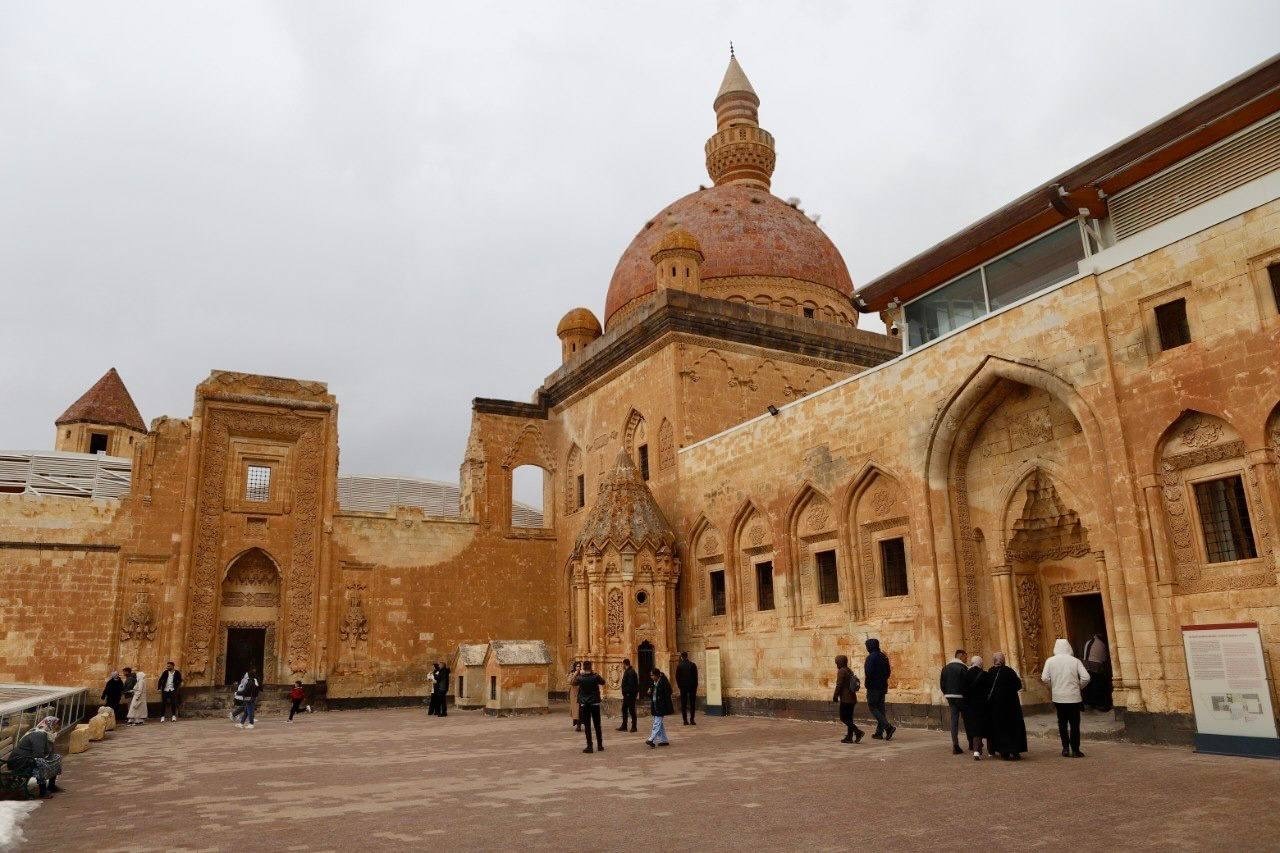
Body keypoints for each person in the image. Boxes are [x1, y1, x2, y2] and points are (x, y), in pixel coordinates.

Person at [1042, 638, 1091, 757]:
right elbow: (1086, 677)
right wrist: (1078, 687)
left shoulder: (1050, 661)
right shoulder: (1075, 661)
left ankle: (1065, 748)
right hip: (1074, 697)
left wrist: (1053, 687)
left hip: (1058, 697)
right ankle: (1075, 750)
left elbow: (1044, 678)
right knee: (1074, 724)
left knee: (1062, 723)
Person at [979, 652, 1027, 760]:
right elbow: (1018, 685)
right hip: (1011, 706)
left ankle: (1003, 751)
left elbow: (986, 688)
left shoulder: (990, 672)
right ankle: (1015, 750)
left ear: (994, 661)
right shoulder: (1009, 671)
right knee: (1012, 728)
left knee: (999, 728)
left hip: (996, 707)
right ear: (1003, 660)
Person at [9, 717, 64, 798]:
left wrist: (52, 742)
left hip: (27, 759)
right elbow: (38, 754)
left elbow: (49, 752)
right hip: (18, 762)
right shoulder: (39, 734)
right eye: (57, 725)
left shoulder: (47, 734)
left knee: (56, 757)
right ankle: (43, 791)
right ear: (50, 724)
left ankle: (51, 786)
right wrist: (47, 759)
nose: (59, 727)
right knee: (40, 762)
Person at [863, 638, 895, 740]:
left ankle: (888, 727)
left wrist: (868, 683)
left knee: (872, 707)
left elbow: (868, 673)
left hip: (873, 687)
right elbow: (888, 672)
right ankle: (879, 733)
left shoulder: (871, 658)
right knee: (880, 709)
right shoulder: (883, 656)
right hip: (883, 686)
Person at [573, 660, 606, 753]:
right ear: (591, 667)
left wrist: (577, 673)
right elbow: (603, 682)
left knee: (587, 726)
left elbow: (573, 682)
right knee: (597, 725)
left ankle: (589, 746)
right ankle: (600, 745)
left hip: (585, 704)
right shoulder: (595, 676)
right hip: (595, 703)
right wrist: (595, 673)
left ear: (583, 668)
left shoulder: (580, 678)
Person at [939, 649, 968, 755]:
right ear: (961, 656)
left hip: (950, 696)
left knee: (954, 720)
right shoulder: (963, 668)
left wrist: (946, 693)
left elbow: (942, 683)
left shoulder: (945, 668)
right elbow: (966, 683)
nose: (966, 659)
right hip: (961, 696)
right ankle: (972, 742)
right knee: (967, 718)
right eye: (965, 656)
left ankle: (955, 744)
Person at [832, 654, 864, 744]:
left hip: (846, 699)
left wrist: (835, 696)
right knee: (849, 718)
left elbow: (839, 685)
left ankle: (858, 732)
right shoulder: (849, 670)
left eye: (837, 663)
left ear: (840, 662)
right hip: (852, 698)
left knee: (843, 718)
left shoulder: (841, 671)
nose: (836, 665)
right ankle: (849, 737)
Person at [962, 655, 986, 759]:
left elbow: (963, 690)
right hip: (982, 705)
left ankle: (975, 747)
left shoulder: (966, 674)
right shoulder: (984, 674)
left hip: (970, 705)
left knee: (974, 726)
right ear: (981, 663)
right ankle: (984, 750)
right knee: (981, 726)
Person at [1082, 632, 1113, 712]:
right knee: (1097, 684)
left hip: (1086, 665)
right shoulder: (1101, 644)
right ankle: (1100, 704)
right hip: (1096, 666)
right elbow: (1104, 658)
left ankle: (1089, 703)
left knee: (1089, 684)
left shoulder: (1088, 642)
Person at [646, 667, 674, 748]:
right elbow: (653, 693)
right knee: (659, 723)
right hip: (655, 704)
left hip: (661, 705)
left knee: (657, 723)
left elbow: (669, 692)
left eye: (652, 675)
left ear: (657, 675)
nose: (651, 677)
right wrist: (649, 692)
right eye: (651, 675)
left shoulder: (663, 682)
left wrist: (661, 698)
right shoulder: (653, 682)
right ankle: (664, 740)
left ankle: (651, 739)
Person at [675, 651, 699, 725]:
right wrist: (695, 686)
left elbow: (677, 677)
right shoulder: (692, 665)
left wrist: (679, 686)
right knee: (692, 703)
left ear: (681, 657)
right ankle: (692, 720)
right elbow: (695, 677)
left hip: (683, 687)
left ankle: (685, 720)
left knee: (684, 704)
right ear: (687, 656)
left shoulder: (679, 666)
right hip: (692, 687)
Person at [617, 658, 639, 733]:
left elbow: (631, 684)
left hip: (630, 695)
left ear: (624, 664)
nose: (622, 666)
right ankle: (624, 725)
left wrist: (627, 692)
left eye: (622, 664)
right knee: (624, 709)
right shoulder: (628, 671)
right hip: (627, 695)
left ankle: (634, 726)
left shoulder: (630, 672)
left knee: (631, 710)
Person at [567, 661, 582, 731]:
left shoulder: (582, 674)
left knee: (580, 709)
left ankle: (579, 724)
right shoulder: (572, 674)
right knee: (576, 709)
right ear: (575, 667)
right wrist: (575, 674)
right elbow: (569, 681)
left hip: (581, 693)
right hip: (574, 693)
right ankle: (577, 722)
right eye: (577, 666)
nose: (578, 668)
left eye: (579, 666)